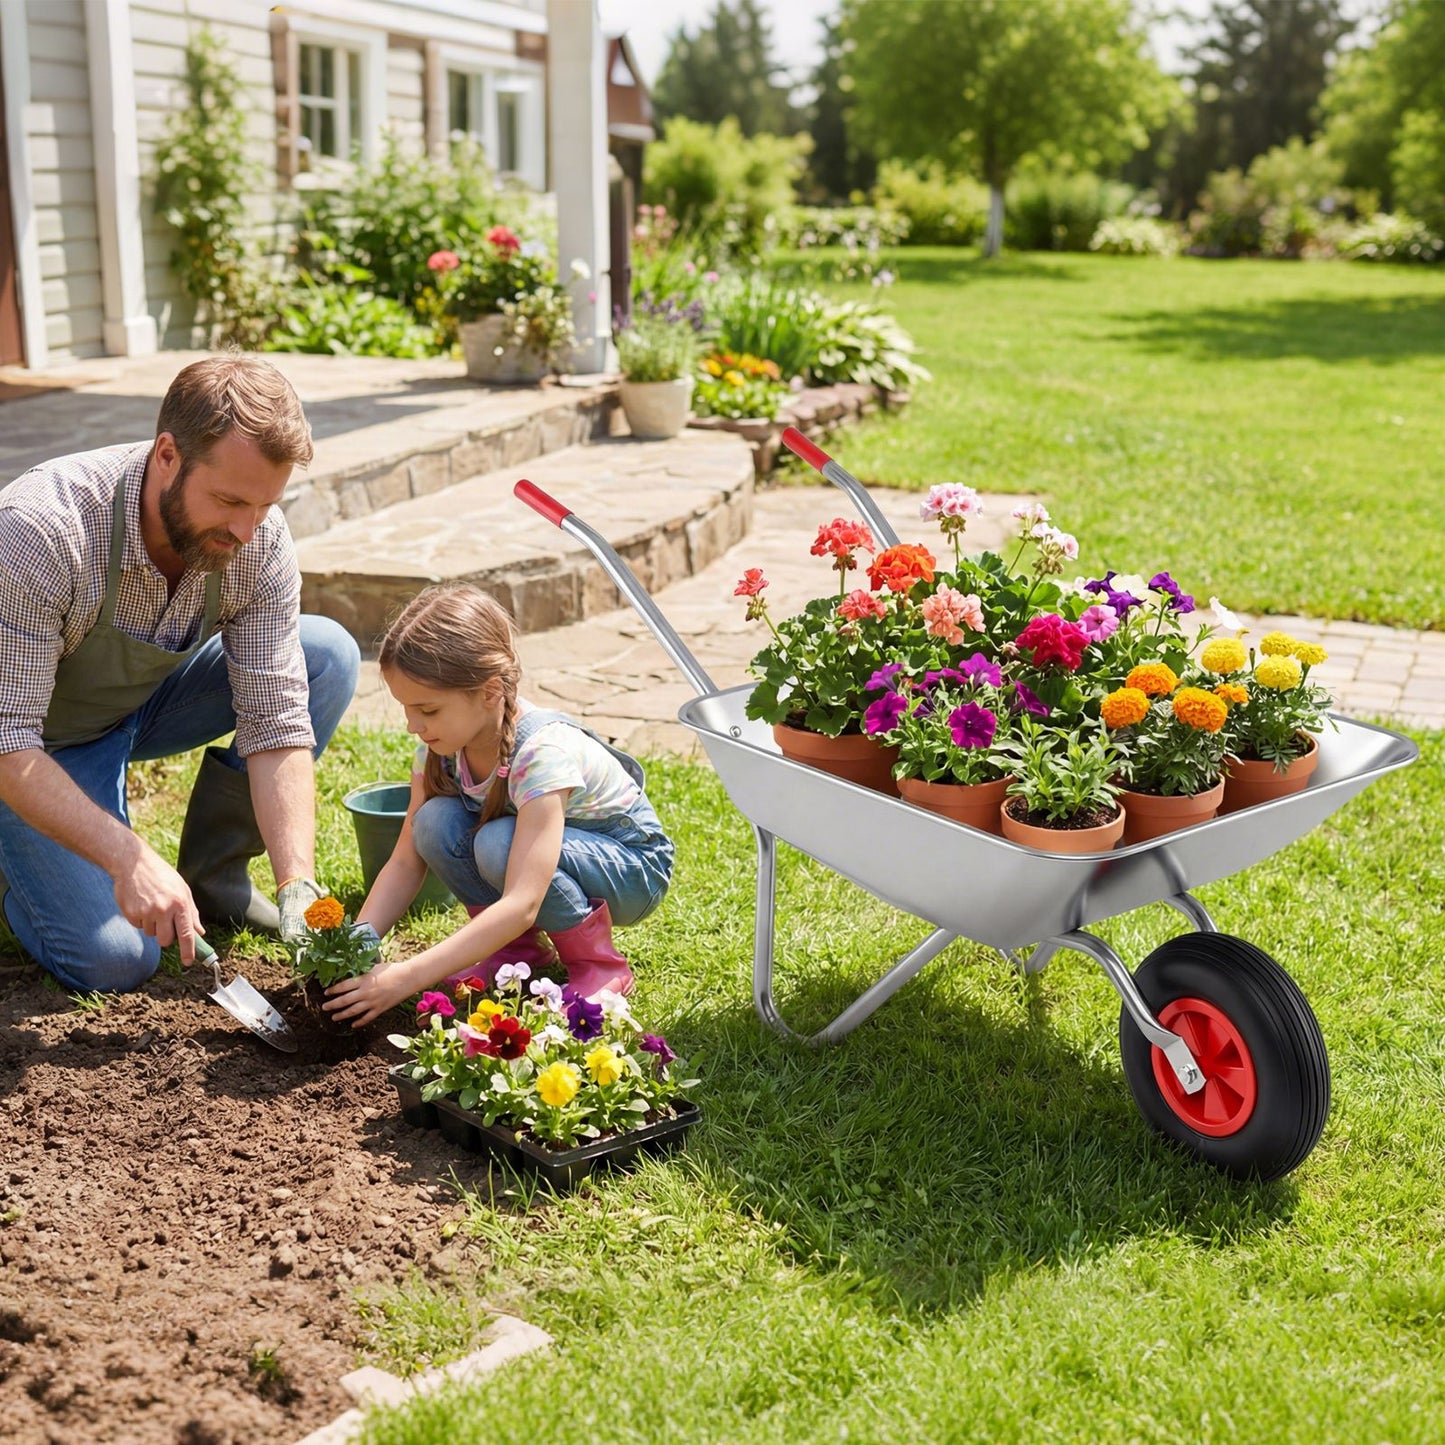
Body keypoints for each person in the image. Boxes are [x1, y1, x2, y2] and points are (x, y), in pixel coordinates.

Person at [0, 355, 360, 991]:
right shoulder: (42, 531)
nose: (247, 529)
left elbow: (275, 718)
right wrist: (128, 857)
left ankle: (216, 878)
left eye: (264, 504)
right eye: (229, 500)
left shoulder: (257, 538)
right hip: (32, 748)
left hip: (133, 708)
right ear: (167, 455)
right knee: (119, 959)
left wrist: (298, 883)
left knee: (324, 655)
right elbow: (8, 741)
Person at [323, 583, 674, 1028]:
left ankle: (599, 965)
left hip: (632, 869)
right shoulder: (439, 749)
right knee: (433, 822)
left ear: (490, 692)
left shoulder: (540, 754)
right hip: (543, 855)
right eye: (406, 709)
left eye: (427, 710)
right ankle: (515, 952)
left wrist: (405, 977)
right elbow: (406, 861)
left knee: (497, 843)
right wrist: (355, 944)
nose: (413, 725)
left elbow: (523, 901)